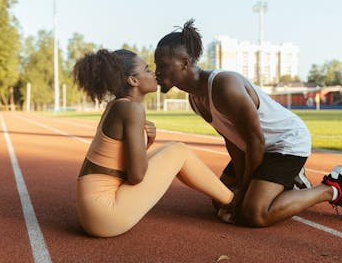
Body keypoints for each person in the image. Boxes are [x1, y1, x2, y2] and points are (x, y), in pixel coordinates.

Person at [154, 19, 342, 227]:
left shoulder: (224, 85)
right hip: (258, 148)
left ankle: (333, 188)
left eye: (162, 65)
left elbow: (256, 140)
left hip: (286, 143)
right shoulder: (195, 99)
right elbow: (234, 141)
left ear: (185, 62)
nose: (157, 72)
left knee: (254, 214)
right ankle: (288, 182)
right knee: (220, 199)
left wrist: (245, 190)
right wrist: (238, 188)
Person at [73, 48, 233, 238]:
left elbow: (119, 163)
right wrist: (145, 145)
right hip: (105, 214)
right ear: (133, 80)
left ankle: (226, 199)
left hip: (91, 212)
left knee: (171, 148)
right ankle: (233, 204)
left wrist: (148, 143)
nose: (154, 73)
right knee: (178, 152)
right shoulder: (132, 109)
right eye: (147, 69)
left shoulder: (116, 106)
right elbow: (136, 176)